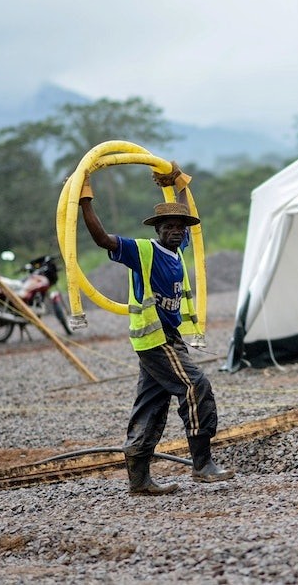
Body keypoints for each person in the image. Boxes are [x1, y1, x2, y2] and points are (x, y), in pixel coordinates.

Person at [78, 162, 234, 495]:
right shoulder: (143, 250)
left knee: (151, 404)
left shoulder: (178, 251)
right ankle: (202, 464)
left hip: (169, 338)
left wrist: (179, 182)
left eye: (181, 227)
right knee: (195, 386)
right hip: (155, 339)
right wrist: (85, 200)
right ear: (158, 229)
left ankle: (139, 480)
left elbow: (189, 213)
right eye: (170, 226)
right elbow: (102, 239)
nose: (177, 231)